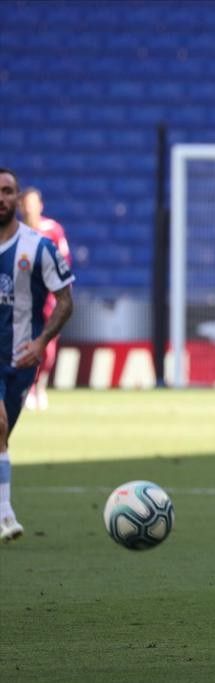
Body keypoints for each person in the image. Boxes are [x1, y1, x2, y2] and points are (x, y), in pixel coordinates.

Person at [0, 169, 75, 542]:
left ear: (17, 198)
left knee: (2, 435)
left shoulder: (39, 246)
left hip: (21, 357)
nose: (2, 197)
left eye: (8, 191)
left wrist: (43, 340)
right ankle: (6, 514)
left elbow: (65, 299)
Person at [17, 186, 72, 411]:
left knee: (47, 348)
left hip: (49, 297)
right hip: (24, 299)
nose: (29, 208)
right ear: (21, 208)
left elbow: (63, 262)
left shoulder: (53, 231)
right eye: (26, 204)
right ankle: (28, 389)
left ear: (40, 206)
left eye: (33, 203)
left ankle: (39, 386)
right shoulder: (15, 233)